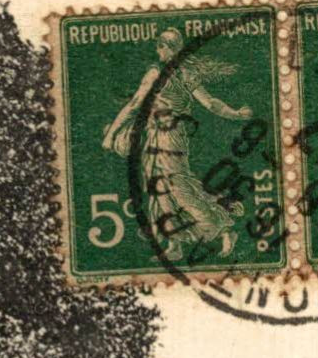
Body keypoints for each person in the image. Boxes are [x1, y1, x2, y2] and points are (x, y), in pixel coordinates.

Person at [99, 29, 253, 260]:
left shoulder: (158, 73)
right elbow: (210, 103)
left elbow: (134, 105)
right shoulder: (185, 72)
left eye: (160, 46)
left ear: (168, 48)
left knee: (177, 189)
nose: (157, 50)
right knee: (157, 190)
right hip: (161, 135)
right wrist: (236, 113)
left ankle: (222, 229)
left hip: (167, 137)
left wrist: (111, 134)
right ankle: (174, 243)